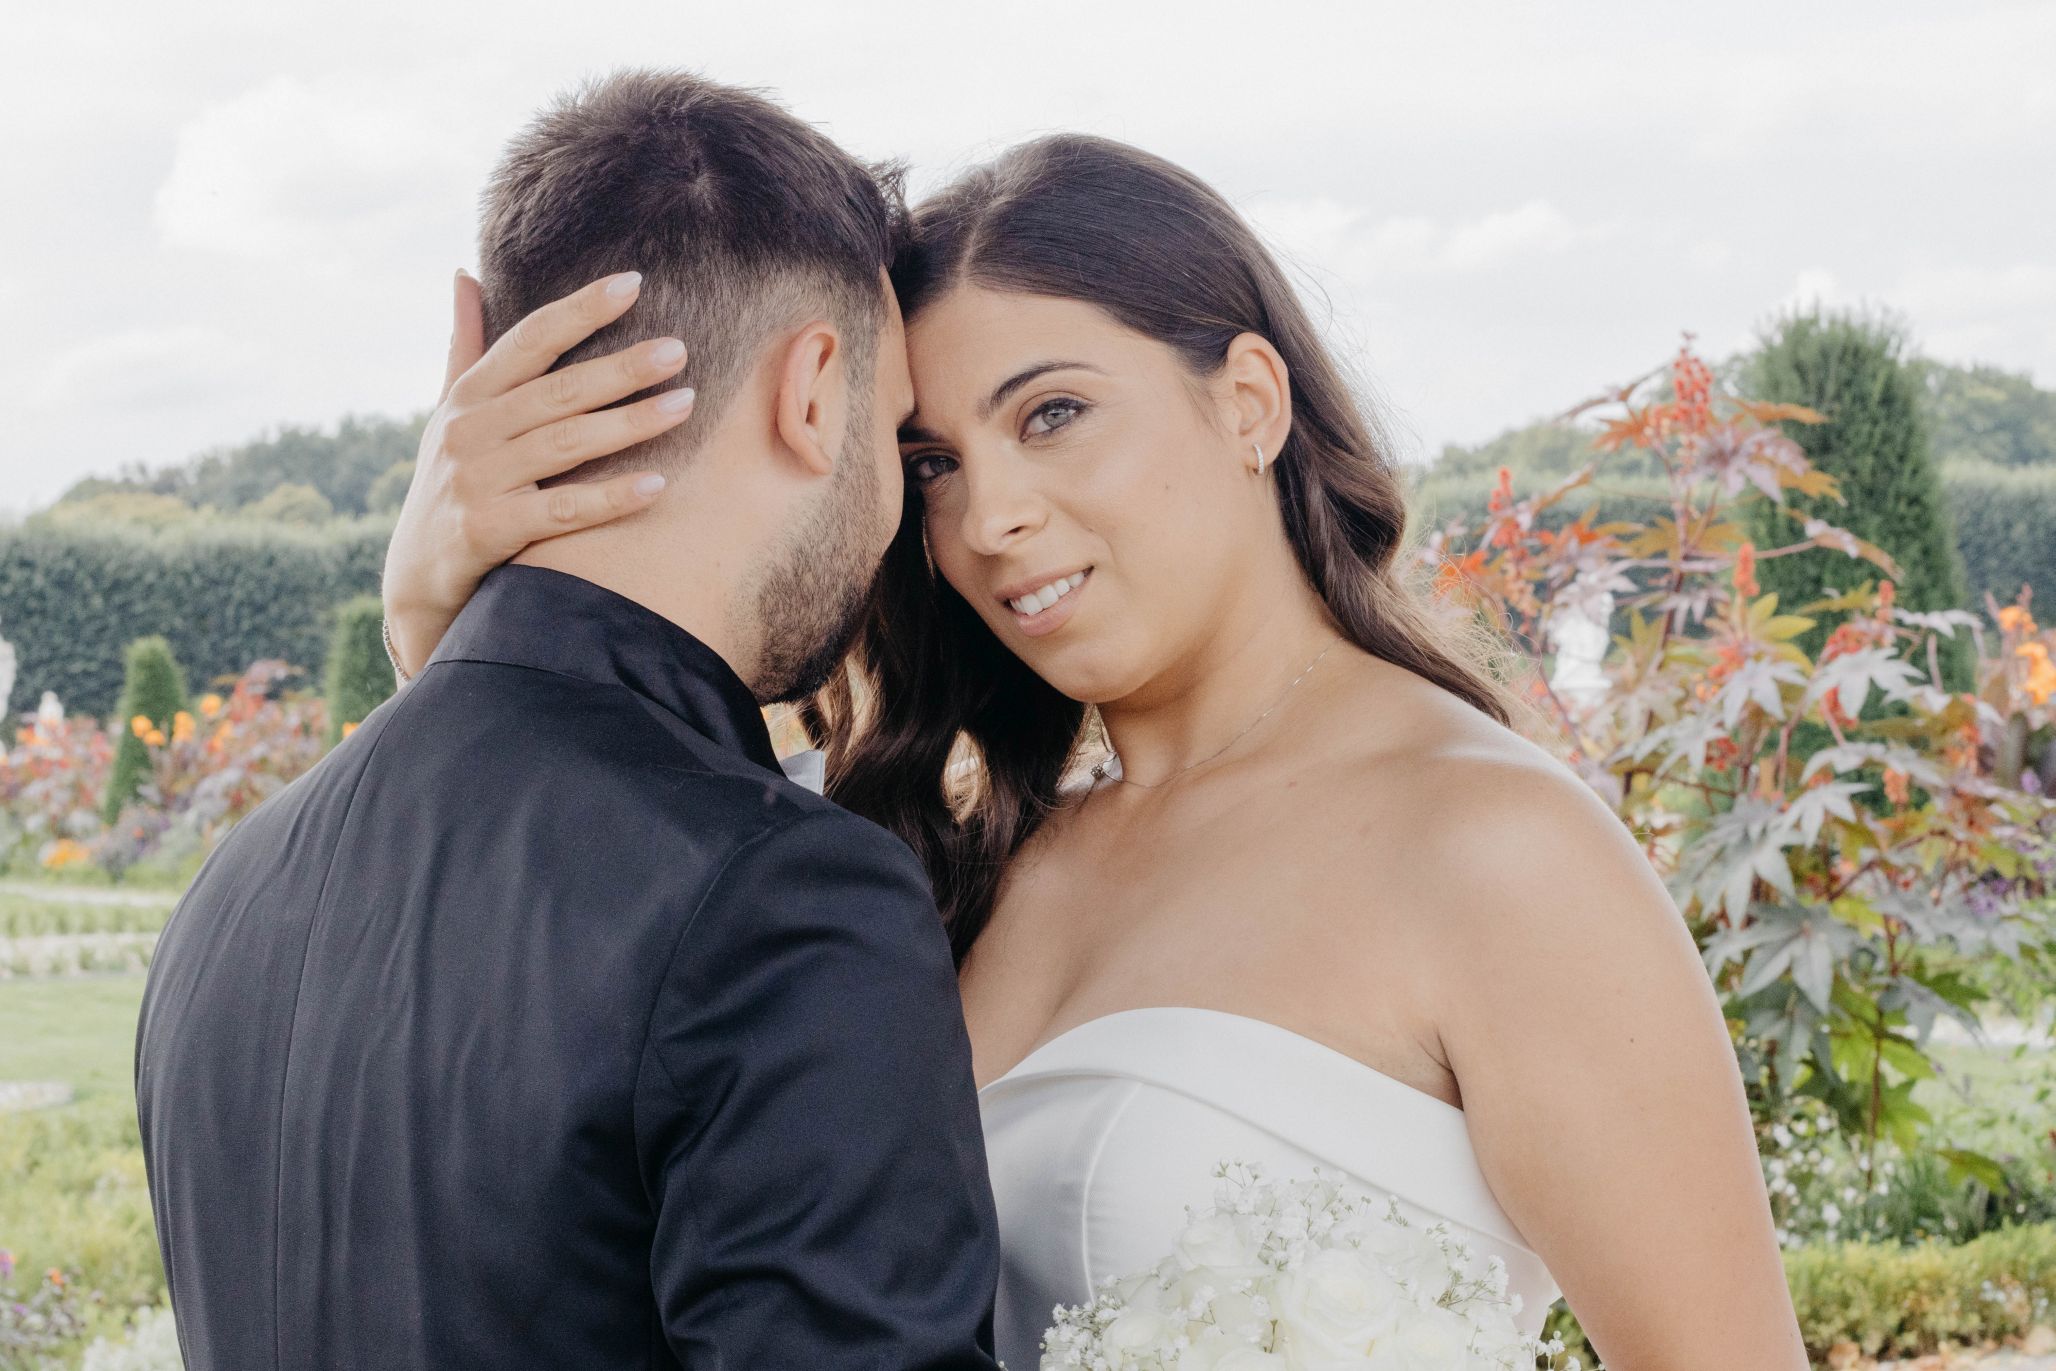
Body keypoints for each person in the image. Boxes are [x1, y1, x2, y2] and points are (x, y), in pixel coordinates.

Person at [384, 125, 1812, 1371]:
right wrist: (436, 627)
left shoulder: (1500, 857)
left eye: (1054, 415)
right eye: (934, 465)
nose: (989, 518)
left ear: (1249, 401)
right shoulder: (941, 862)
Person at [135, 70, 1002, 1370]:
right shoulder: (779, 897)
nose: (903, 522)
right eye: (897, 435)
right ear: (814, 392)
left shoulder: (237, 883)